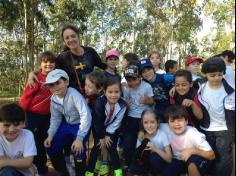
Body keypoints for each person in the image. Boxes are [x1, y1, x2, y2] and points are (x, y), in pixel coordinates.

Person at [27, 24, 106, 93]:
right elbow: (48, 69)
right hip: (73, 97)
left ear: (78, 36)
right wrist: (32, 74)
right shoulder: (63, 57)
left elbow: (103, 66)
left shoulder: (90, 51)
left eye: (73, 36)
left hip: (92, 94)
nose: (70, 39)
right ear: (64, 41)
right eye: (67, 38)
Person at [43, 69, 92, 176]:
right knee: (51, 145)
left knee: (78, 149)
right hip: (67, 124)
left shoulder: (74, 95)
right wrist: (50, 135)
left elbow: (86, 116)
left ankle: (80, 173)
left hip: (81, 124)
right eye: (51, 85)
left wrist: (79, 138)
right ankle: (65, 170)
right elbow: (55, 119)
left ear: (67, 82)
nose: (55, 87)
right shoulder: (53, 99)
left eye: (58, 83)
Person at [20, 51, 56, 176]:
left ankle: (42, 169)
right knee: (33, 143)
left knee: (43, 142)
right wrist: (21, 116)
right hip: (33, 116)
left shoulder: (56, 78)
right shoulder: (36, 78)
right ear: (40, 64)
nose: (48, 64)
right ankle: (34, 169)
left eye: (51, 62)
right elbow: (25, 98)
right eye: (45, 62)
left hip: (49, 117)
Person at [198, 57, 235, 176]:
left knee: (223, 160)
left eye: (220, 74)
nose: (216, 78)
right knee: (209, 158)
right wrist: (173, 87)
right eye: (212, 75)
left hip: (224, 129)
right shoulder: (199, 86)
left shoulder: (231, 91)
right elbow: (184, 85)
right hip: (206, 129)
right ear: (206, 74)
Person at [85, 78, 127, 176]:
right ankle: (89, 171)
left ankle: (117, 170)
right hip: (98, 128)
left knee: (111, 146)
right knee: (97, 147)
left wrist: (108, 135)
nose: (113, 95)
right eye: (110, 92)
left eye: (116, 92)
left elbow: (117, 122)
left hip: (111, 129)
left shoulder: (123, 105)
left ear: (120, 92)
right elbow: (97, 121)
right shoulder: (99, 103)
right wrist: (101, 137)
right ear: (104, 92)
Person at [161, 105, 215, 176]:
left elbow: (212, 155)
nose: (176, 124)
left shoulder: (193, 133)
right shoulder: (166, 128)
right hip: (178, 160)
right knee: (167, 172)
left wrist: (192, 150)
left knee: (192, 165)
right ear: (168, 123)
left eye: (180, 120)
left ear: (186, 121)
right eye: (172, 121)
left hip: (196, 158)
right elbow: (152, 124)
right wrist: (142, 131)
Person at [122, 64, 154, 167]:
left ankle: (143, 163)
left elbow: (152, 101)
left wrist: (146, 100)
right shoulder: (126, 88)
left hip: (144, 118)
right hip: (131, 117)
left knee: (142, 142)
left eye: (133, 79)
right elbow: (125, 101)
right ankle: (129, 164)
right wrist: (125, 103)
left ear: (139, 77)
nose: (131, 82)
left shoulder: (146, 86)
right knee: (128, 142)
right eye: (128, 80)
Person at [129, 110, 172, 175]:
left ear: (157, 123)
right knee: (133, 167)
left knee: (154, 157)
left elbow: (169, 159)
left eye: (152, 122)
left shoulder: (162, 135)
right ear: (142, 124)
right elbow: (138, 155)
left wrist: (155, 149)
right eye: (146, 123)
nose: (149, 126)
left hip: (158, 164)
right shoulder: (142, 136)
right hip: (146, 165)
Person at [0, 103, 37, 176]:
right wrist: (25, 163)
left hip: (25, 173)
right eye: (6, 125)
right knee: (7, 171)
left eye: (16, 124)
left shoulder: (27, 135)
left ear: (23, 124)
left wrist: (27, 164)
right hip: (6, 171)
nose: (11, 129)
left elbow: (27, 162)